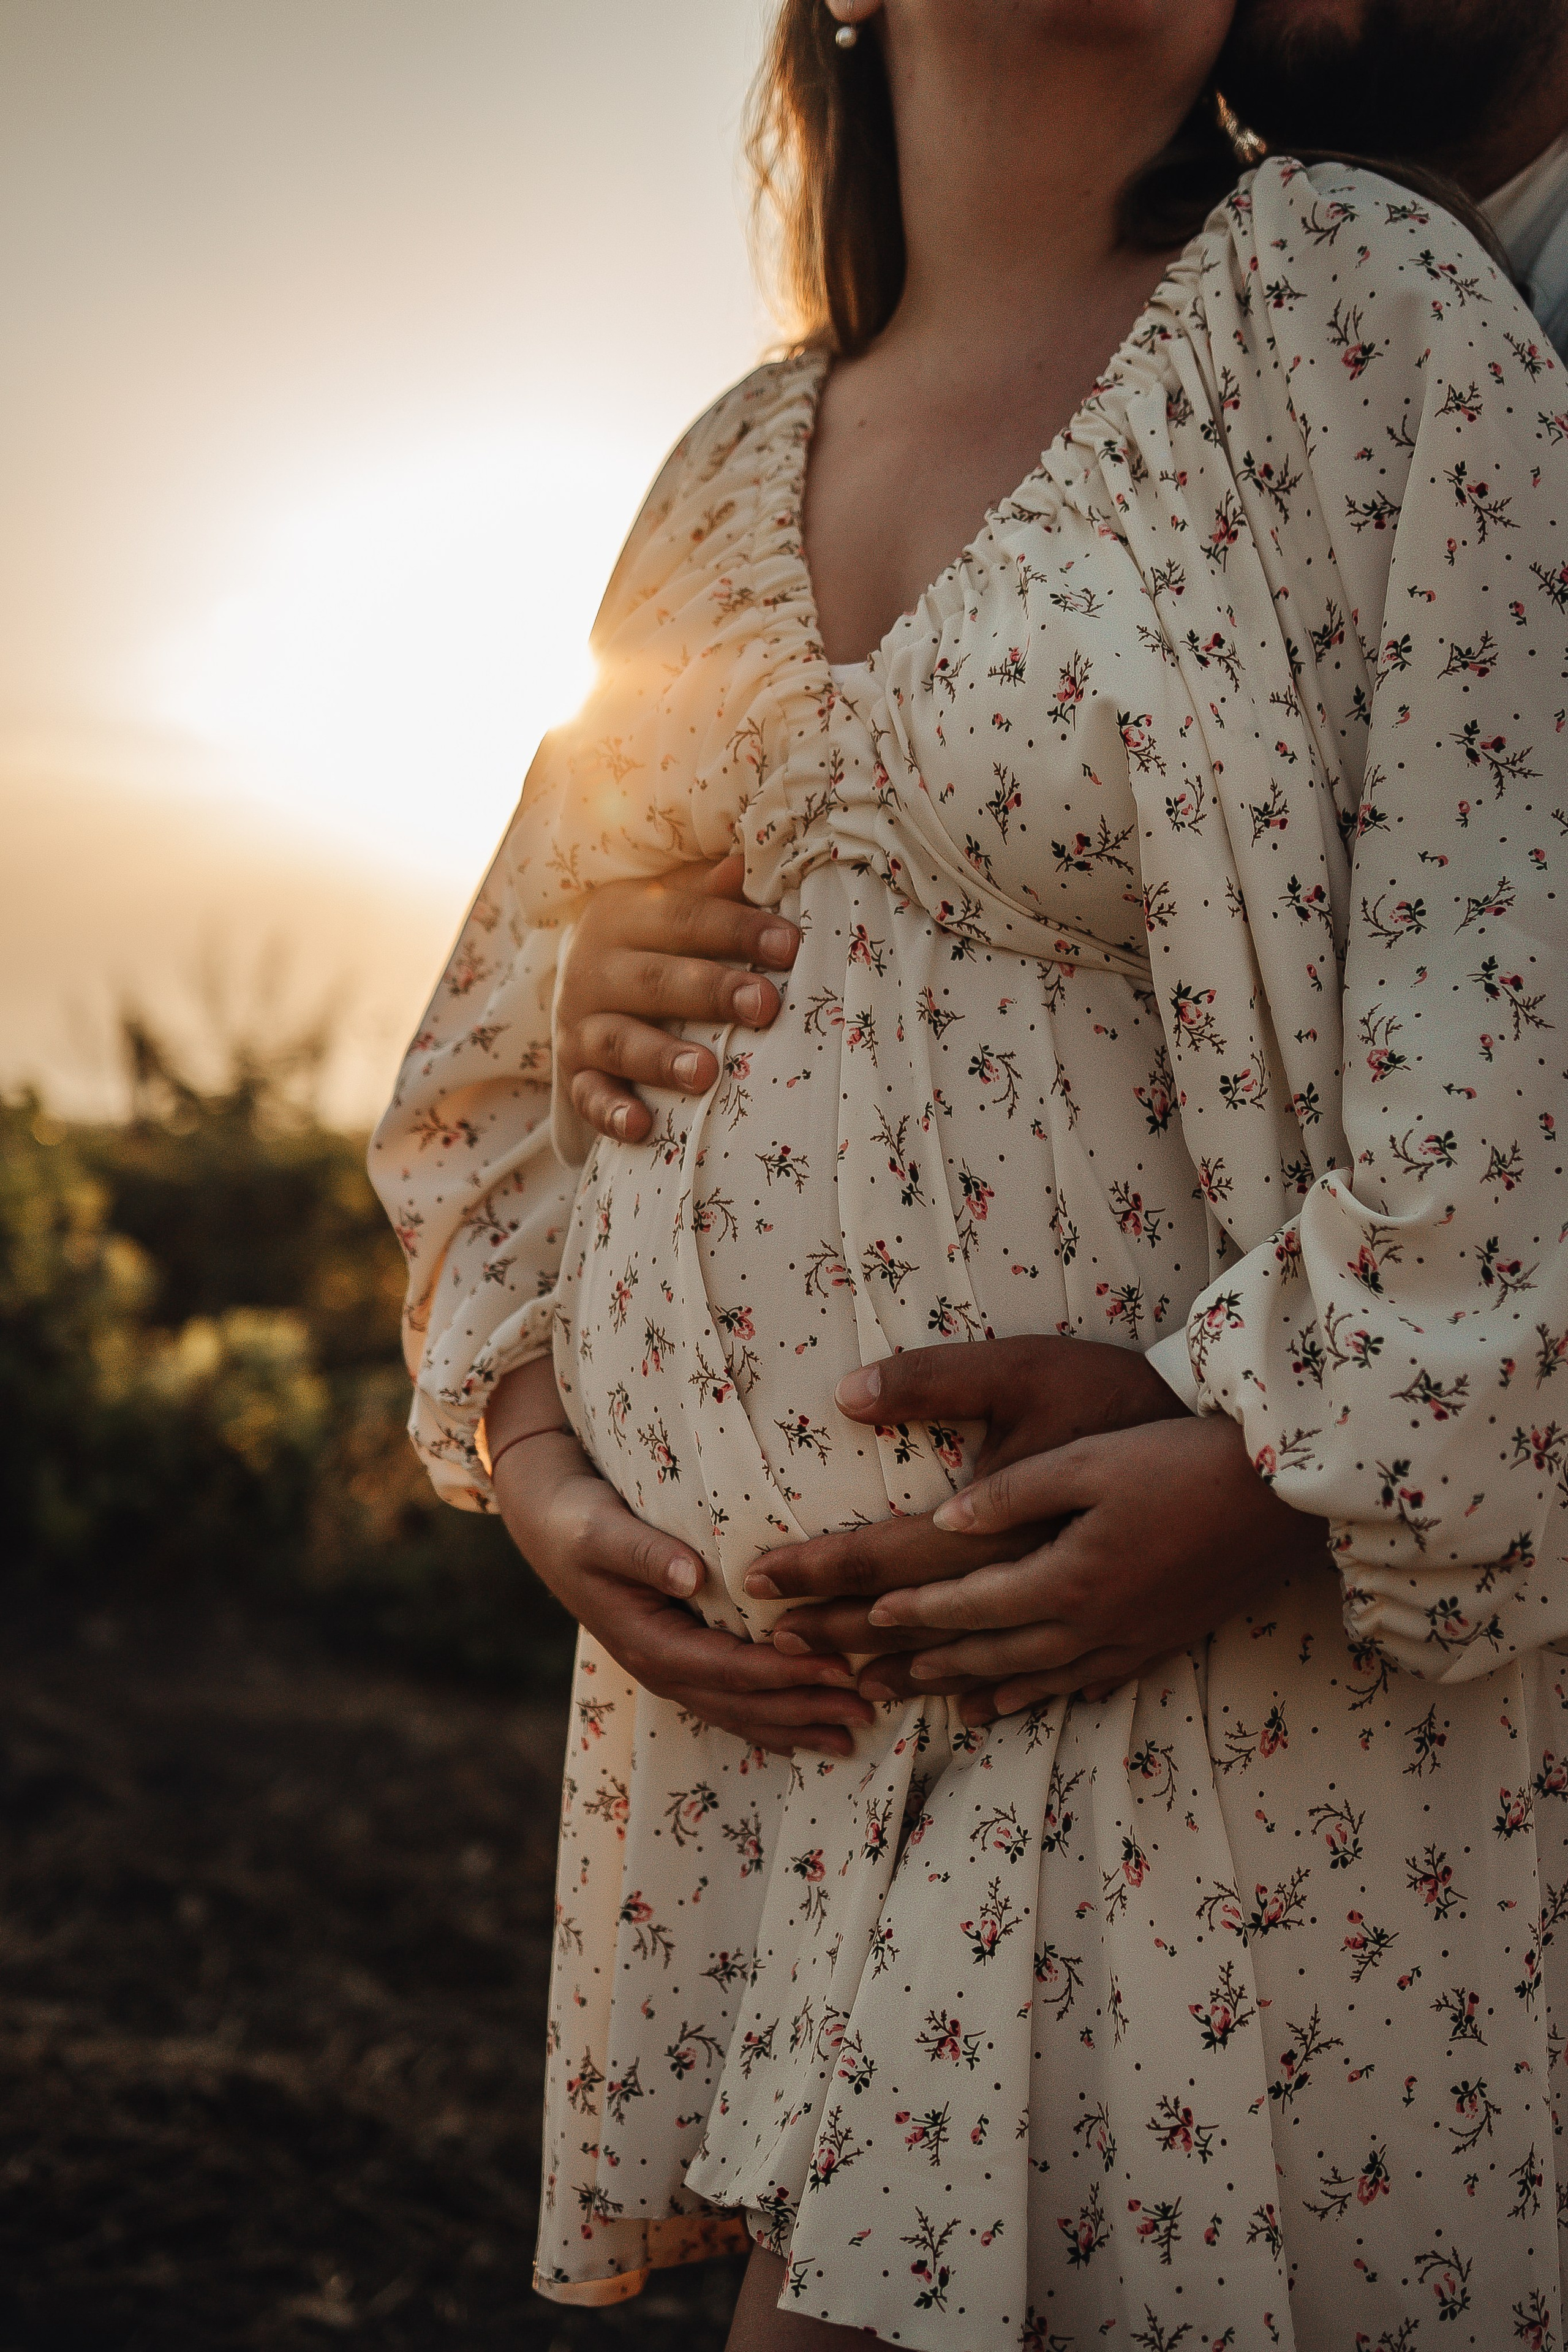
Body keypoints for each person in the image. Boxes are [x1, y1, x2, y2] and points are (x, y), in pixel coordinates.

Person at [369, 3, 1568, 2346]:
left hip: (1211, 1694)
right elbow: (480, 1084)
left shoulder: (1366, 314)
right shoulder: (720, 462)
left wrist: (1266, 1471)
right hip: (783, 1747)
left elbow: (1519, 1024)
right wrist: (537, 1467)